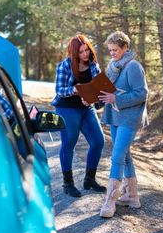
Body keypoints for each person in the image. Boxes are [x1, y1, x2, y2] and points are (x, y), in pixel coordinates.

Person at [98, 31, 148, 218]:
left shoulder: (134, 66)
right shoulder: (113, 65)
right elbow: (107, 90)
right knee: (125, 155)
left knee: (117, 154)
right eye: (110, 50)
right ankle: (132, 196)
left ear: (125, 47)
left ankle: (110, 201)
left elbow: (142, 93)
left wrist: (115, 98)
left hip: (129, 118)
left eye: (115, 50)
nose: (112, 53)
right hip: (115, 116)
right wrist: (94, 97)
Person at [51, 34, 106, 197]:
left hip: (86, 109)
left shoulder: (94, 66)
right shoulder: (64, 66)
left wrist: (93, 100)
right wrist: (75, 89)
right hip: (67, 109)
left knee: (98, 141)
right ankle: (68, 183)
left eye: (86, 50)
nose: (85, 54)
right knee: (69, 144)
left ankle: (89, 179)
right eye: (81, 52)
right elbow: (59, 90)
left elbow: (98, 90)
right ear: (74, 53)